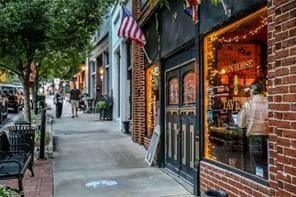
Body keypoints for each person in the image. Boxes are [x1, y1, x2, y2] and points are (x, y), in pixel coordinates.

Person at [237, 81, 268, 178]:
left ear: (252, 91)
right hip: (269, 138)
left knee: (257, 166)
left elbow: (241, 124)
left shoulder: (248, 104)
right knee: (269, 165)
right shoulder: (270, 102)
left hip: (254, 138)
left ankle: (260, 186)